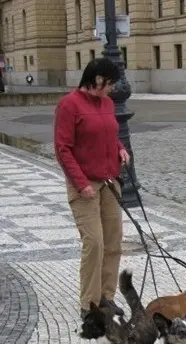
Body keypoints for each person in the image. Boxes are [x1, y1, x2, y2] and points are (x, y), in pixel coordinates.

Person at [54, 57, 131, 319]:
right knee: (94, 243)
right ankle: (89, 304)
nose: (113, 89)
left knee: (113, 243)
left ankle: (107, 297)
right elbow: (63, 149)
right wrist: (80, 183)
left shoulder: (107, 103)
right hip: (84, 186)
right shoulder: (69, 105)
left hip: (110, 182)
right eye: (110, 83)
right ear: (98, 80)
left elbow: (111, 135)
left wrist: (120, 150)